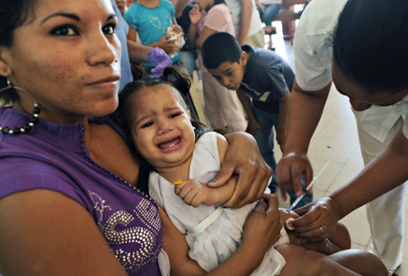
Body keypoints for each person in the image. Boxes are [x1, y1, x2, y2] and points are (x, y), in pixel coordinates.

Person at [0, 0, 286, 274]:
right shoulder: (24, 187)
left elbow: (193, 144)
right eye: (65, 30)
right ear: (3, 58)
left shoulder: (103, 118)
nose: (106, 52)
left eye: (109, 28)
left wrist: (241, 144)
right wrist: (254, 249)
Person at [114, 66, 389, 275]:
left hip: (274, 229)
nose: (164, 126)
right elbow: (183, 267)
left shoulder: (213, 145)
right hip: (250, 265)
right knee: (318, 266)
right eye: (147, 124)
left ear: (188, 115)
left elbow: (247, 187)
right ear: (131, 140)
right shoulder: (155, 196)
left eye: (173, 115)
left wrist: (210, 193)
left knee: (355, 250)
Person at [275, 0, 408, 275]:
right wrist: (295, 148)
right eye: (346, 92)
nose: (356, 108)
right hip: (382, 86)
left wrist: (337, 204)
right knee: (378, 194)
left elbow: (407, 153)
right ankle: (386, 262)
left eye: (370, 100)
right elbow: (309, 91)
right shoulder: (319, 22)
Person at [202, 32, 311, 207]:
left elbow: (285, 96)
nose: (226, 82)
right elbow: (241, 91)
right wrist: (251, 119)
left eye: (228, 73)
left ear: (243, 59)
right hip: (262, 106)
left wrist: (282, 131)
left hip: (287, 108)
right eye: (218, 78)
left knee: (290, 152)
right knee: (260, 147)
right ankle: (270, 184)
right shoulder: (236, 75)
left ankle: (302, 201)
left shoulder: (264, 67)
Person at [187, 0, 247, 134]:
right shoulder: (207, 12)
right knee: (212, 109)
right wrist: (194, 23)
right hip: (209, 70)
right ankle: (220, 140)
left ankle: (244, 139)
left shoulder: (218, 10)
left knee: (229, 107)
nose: (195, 1)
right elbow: (191, 43)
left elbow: (200, 42)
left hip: (222, 69)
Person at [124, 0, 196, 77]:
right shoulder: (132, 12)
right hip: (151, 66)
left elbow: (175, 28)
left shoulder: (167, 5)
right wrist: (158, 46)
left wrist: (178, 32)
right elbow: (133, 50)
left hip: (174, 62)